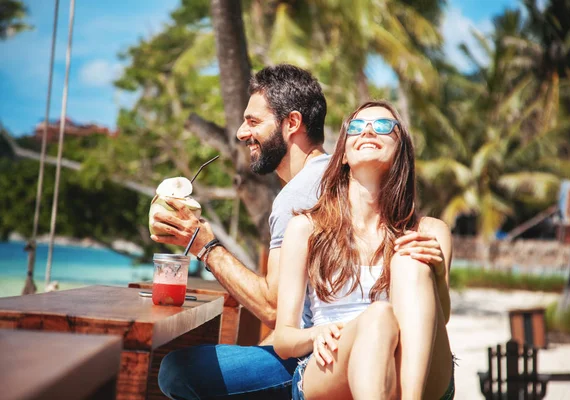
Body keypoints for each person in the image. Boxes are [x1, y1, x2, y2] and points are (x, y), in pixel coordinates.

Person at [151, 64, 445, 399]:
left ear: (292, 123)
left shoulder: (299, 196)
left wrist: (205, 246)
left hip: (327, 359)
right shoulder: (330, 183)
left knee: (177, 371)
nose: (240, 133)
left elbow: (274, 309)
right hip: (331, 347)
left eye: (253, 121)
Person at [273, 100, 455, 400]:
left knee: (410, 261)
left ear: (401, 151)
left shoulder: (429, 232)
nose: (368, 131)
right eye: (356, 127)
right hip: (334, 363)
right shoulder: (306, 228)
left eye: (383, 126)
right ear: (343, 153)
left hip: (413, 369)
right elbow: (283, 338)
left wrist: (435, 275)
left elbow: (440, 319)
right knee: (379, 317)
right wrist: (317, 333)